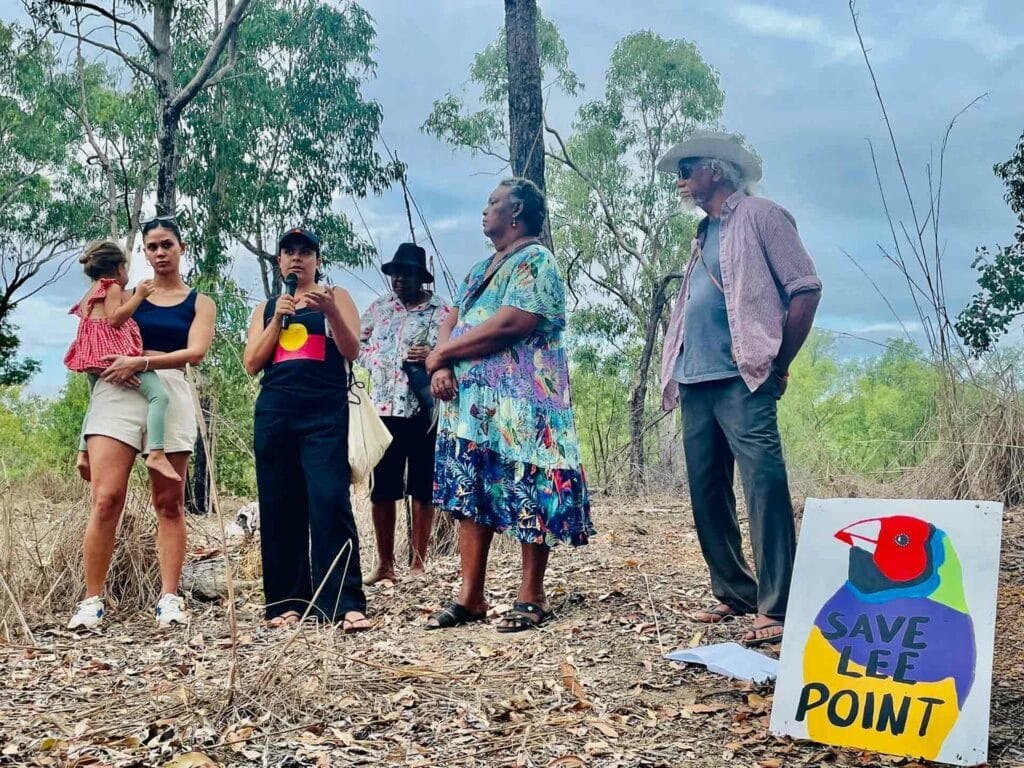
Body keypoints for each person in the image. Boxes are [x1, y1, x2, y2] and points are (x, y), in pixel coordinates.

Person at [657, 130, 822, 647]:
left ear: (716, 170)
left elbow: (805, 289)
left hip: (744, 375)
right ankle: (734, 591)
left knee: (763, 485)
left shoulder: (763, 216)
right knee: (707, 489)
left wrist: (779, 363)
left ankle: (778, 604)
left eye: (687, 170)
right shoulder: (703, 232)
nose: (681, 181)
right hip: (694, 376)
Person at [426, 178, 594, 633]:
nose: (485, 210)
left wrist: (442, 355)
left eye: (494, 202)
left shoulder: (537, 261)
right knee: (471, 492)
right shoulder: (480, 270)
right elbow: (451, 320)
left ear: (516, 212)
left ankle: (531, 593)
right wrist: (441, 363)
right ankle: (471, 596)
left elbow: (512, 323)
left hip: (525, 405)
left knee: (529, 487)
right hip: (472, 406)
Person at [67, 217, 216, 631]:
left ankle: (169, 597)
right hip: (116, 390)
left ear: (181, 248)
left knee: (169, 503)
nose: (160, 252)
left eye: (167, 244)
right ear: (144, 254)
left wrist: (143, 360)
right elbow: (92, 346)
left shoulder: (199, 302)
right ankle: (91, 600)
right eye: (152, 246)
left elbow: (196, 352)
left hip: (167, 390)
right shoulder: (123, 294)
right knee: (106, 499)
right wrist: (83, 440)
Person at [242, 227, 370, 632]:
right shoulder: (267, 307)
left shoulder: (336, 296)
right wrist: (277, 319)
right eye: (289, 252)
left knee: (330, 501)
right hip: (275, 413)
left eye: (305, 252)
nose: (296, 258)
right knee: (280, 506)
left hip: (325, 413)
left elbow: (352, 350)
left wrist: (331, 312)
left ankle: (343, 602)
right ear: (279, 261)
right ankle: (286, 602)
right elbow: (252, 363)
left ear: (317, 260)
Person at [359, 242, 451, 584]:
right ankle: (385, 564)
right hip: (384, 409)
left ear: (420, 277)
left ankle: (418, 564)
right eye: (395, 274)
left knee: (422, 486)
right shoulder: (380, 308)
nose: (399, 280)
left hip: (424, 409)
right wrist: (375, 359)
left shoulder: (442, 312)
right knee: (383, 487)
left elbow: (455, 350)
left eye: (407, 274)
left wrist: (433, 355)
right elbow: (356, 343)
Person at [65, 240, 179, 484]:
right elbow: (115, 319)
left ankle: (83, 453)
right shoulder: (112, 287)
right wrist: (139, 296)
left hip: (91, 358)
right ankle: (157, 452)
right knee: (159, 396)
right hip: (112, 356)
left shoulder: (90, 292)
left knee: (95, 402)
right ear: (119, 269)